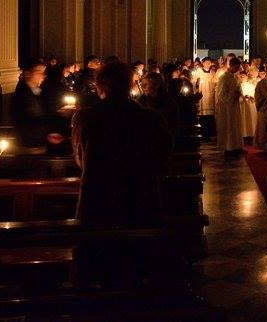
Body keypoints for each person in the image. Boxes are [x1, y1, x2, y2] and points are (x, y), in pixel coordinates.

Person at [71, 61, 172, 285]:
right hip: (140, 200)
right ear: (130, 85)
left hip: (98, 202)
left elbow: (79, 159)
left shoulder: (85, 118)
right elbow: (162, 160)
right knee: (137, 271)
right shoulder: (151, 118)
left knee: (99, 270)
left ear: (100, 87)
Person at [11, 59, 58, 152]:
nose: (43, 76)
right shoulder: (23, 95)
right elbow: (28, 119)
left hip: (38, 141)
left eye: (43, 72)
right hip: (28, 145)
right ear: (28, 73)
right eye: (38, 72)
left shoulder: (37, 92)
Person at [138, 72, 180, 142]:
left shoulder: (169, 103)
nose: (143, 88)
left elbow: (174, 127)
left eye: (145, 85)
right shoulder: (141, 102)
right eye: (143, 85)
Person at [215, 57, 244, 158]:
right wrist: (233, 95)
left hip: (234, 105)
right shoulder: (224, 77)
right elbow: (221, 93)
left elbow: (238, 89)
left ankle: (236, 146)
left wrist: (239, 93)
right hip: (226, 107)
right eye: (236, 67)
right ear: (231, 66)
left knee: (235, 126)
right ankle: (228, 148)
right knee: (228, 127)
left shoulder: (235, 77)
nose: (238, 69)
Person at [197, 57, 216, 138]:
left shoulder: (213, 72)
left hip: (211, 96)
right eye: (206, 63)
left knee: (210, 116)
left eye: (209, 63)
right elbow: (195, 83)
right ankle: (203, 133)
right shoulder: (199, 72)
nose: (208, 65)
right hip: (203, 96)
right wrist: (197, 83)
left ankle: (210, 132)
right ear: (203, 63)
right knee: (203, 116)